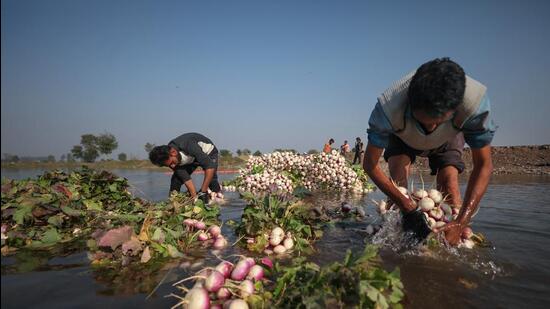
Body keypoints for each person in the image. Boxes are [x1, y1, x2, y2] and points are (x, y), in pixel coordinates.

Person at [363, 57, 496, 245]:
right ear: (411, 102)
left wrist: (461, 222)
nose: (431, 127)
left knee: (450, 186)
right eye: (424, 120)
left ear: (455, 109)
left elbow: (484, 165)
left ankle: (451, 236)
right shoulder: (389, 109)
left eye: (437, 121)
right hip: (402, 136)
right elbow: (370, 164)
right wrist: (406, 206)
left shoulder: (474, 106)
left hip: (449, 137)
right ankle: (399, 236)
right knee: (399, 186)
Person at [149, 132, 221, 204]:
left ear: (173, 152)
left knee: (211, 179)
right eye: (169, 165)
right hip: (191, 159)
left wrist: (203, 191)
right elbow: (186, 178)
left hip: (208, 152)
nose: (173, 166)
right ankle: (172, 201)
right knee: (176, 179)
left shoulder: (187, 144)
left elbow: (210, 167)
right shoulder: (170, 158)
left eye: (172, 163)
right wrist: (194, 197)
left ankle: (217, 194)